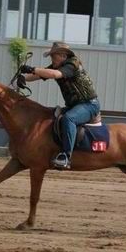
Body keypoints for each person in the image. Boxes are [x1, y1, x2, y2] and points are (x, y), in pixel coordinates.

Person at [19, 41, 100, 170]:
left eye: (53, 56)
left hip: (89, 105)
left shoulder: (72, 63)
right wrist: (24, 78)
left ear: (62, 55)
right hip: (76, 105)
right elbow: (41, 74)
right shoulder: (58, 65)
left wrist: (31, 68)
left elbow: (55, 74)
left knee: (69, 118)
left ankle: (66, 156)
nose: (52, 58)